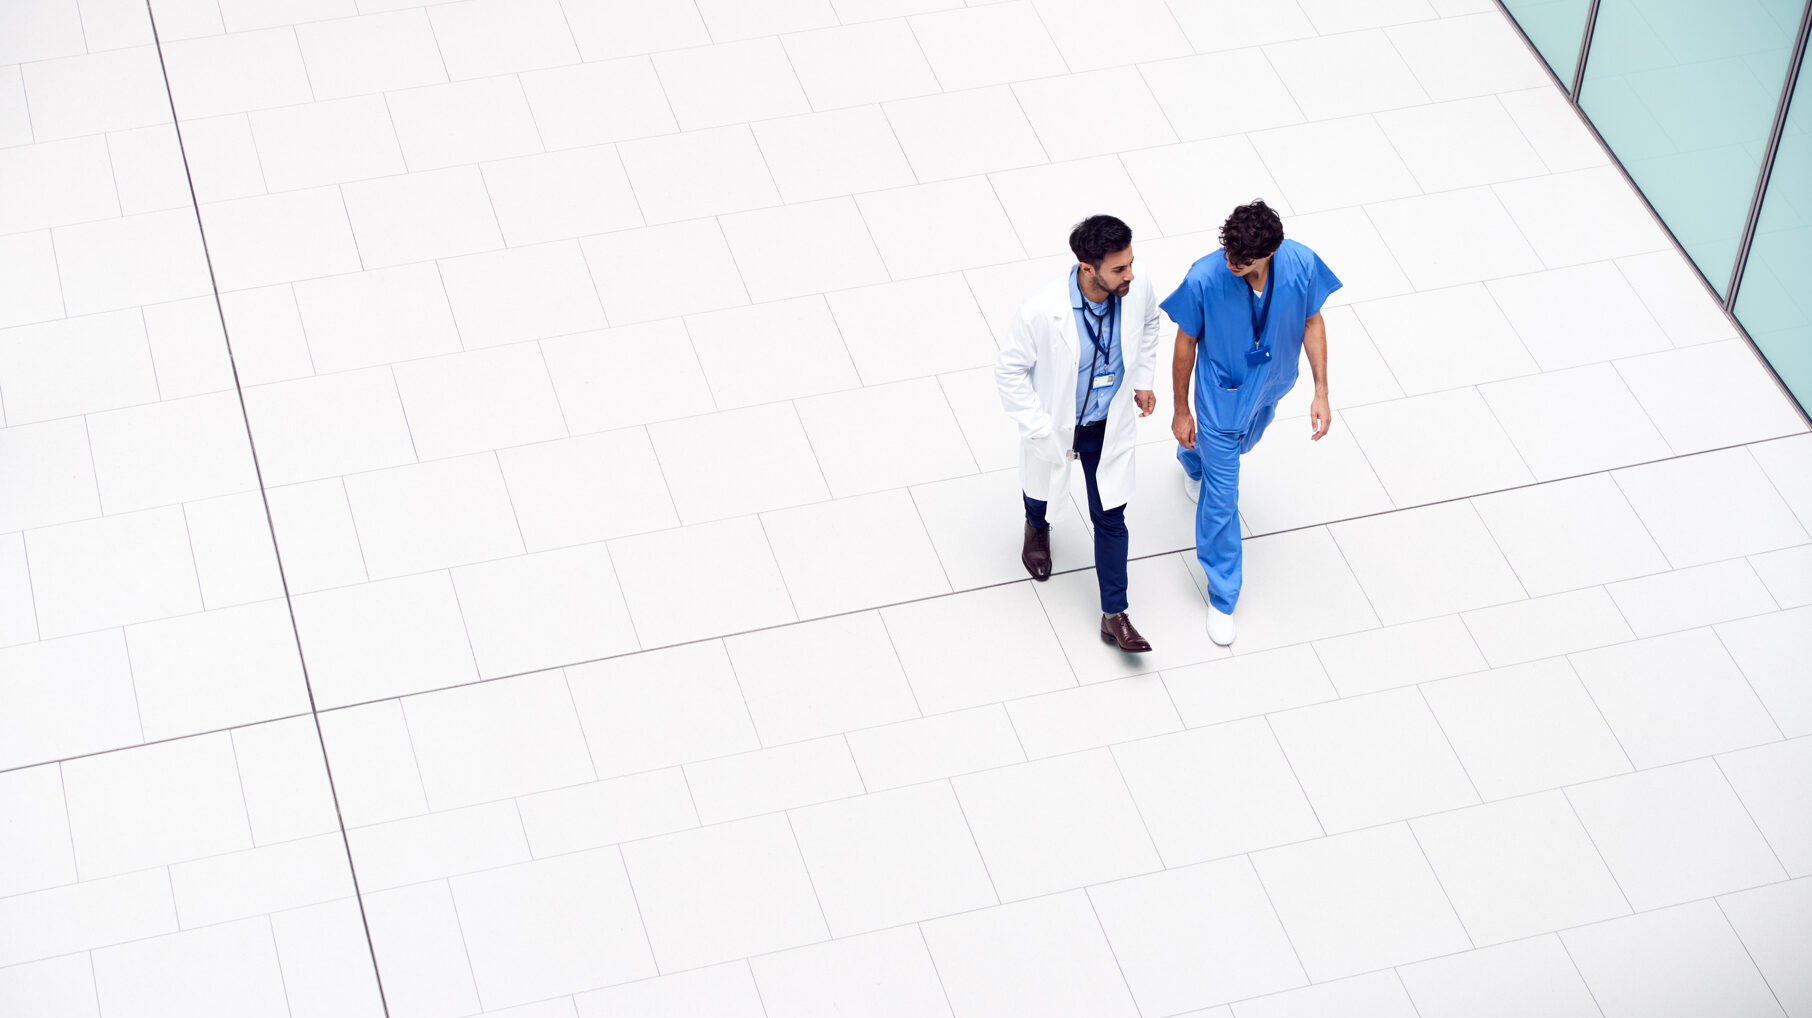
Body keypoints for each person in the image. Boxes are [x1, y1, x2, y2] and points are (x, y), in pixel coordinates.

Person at [1164, 200, 1339, 646]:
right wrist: (1182, 409)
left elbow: (1312, 321)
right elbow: (1185, 344)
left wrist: (1321, 391)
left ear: (1270, 252)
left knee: (1242, 446)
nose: (1232, 263)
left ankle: (1192, 458)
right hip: (1219, 400)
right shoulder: (1205, 278)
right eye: (1228, 253)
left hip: (1270, 387)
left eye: (1242, 259)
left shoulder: (1300, 263)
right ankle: (1223, 596)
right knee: (1223, 500)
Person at [996, 215, 1162, 652]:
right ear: (1088, 268)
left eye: (1130, 263)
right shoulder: (1041, 311)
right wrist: (1037, 427)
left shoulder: (1136, 284)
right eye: (1119, 269)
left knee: (1110, 515)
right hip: (1058, 424)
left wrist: (1143, 379)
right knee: (1042, 486)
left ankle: (1115, 614)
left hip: (1108, 425)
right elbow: (1008, 372)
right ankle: (1036, 526)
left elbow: (1149, 324)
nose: (1131, 275)